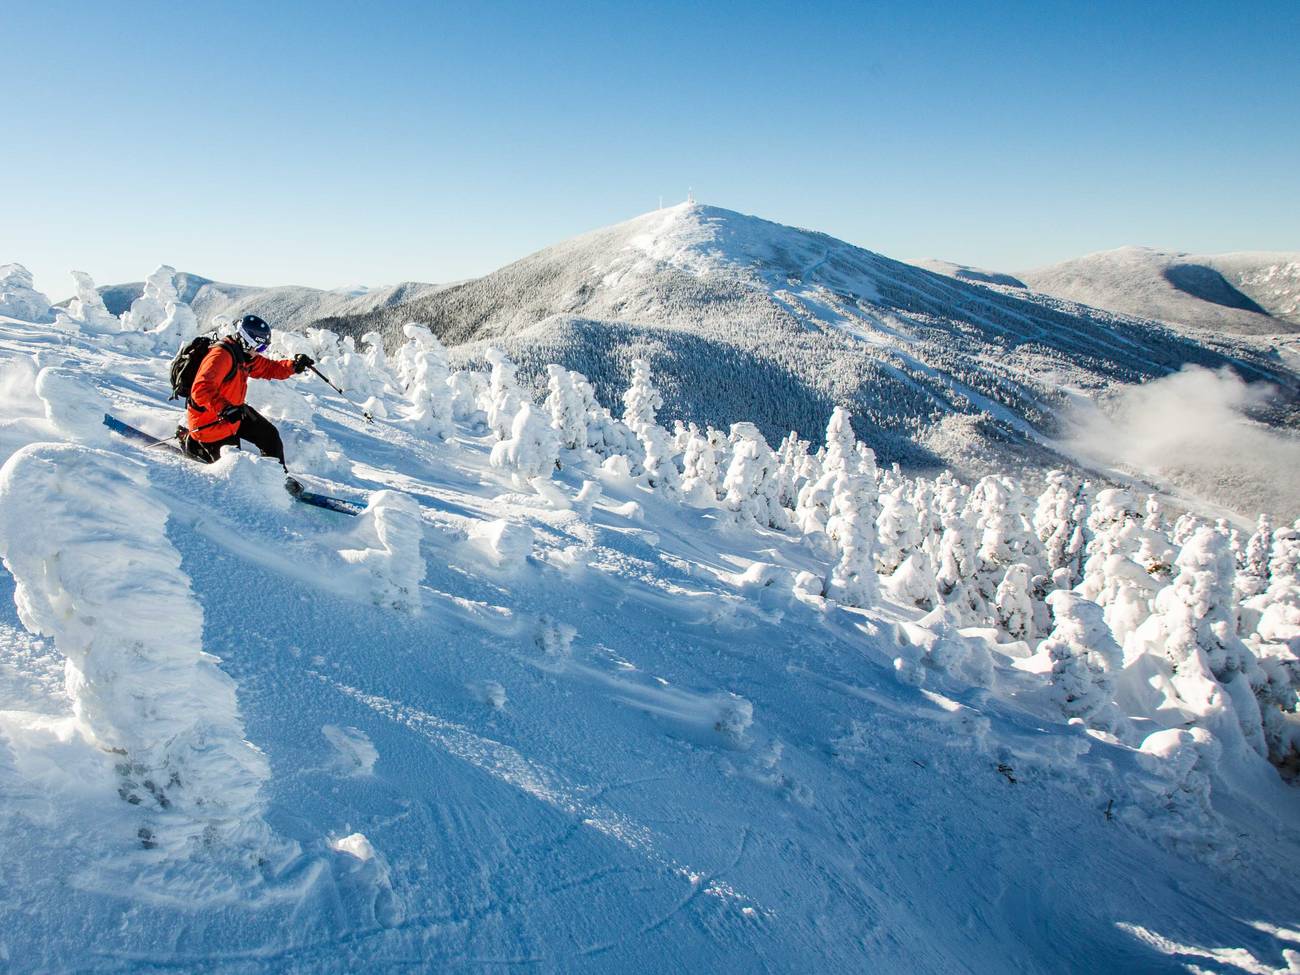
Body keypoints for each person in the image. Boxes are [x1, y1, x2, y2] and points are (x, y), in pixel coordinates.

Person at [183, 314, 314, 470]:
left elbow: (269, 368)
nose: (260, 352)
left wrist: (294, 365)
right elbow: (200, 389)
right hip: (211, 422)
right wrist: (224, 408)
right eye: (260, 347)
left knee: (269, 436)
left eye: (263, 348)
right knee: (235, 468)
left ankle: (277, 478)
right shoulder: (221, 357)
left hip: (233, 413)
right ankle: (194, 444)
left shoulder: (244, 356)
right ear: (247, 341)